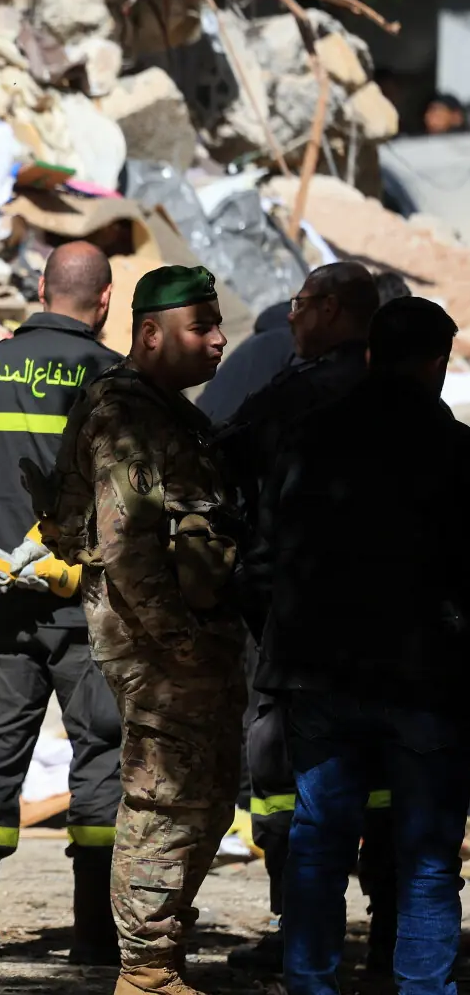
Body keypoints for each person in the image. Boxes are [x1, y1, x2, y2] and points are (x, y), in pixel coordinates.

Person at [31, 265, 246, 995]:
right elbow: (124, 547)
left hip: (192, 641)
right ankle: (146, 970)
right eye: (201, 328)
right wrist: (176, 644)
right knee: (163, 797)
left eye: (218, 325)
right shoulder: (126, 414)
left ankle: (163, 958)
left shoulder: (169, 412)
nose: (219, 341)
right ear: (150, 334)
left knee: (207, 795)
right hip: (160, 647)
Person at [256, 297, 470, 995]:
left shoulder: (308, 436)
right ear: (437, 362)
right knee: (429, 857)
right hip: (426, 679)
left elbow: (264, 554)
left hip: (320, 676)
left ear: (371, 352)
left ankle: (310, 984)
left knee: (319, 841)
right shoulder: (457, 451)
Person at [0, 241, 124, 965]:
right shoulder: (111, 379)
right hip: (90, 609)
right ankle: (96, 934)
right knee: (103, 751)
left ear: (41, 287)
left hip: (5, 602)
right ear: (105, 301)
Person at [216, 263, 397, 974]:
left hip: (300, 625)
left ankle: (301, 935)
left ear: (330, 310)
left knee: (286, 773)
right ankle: (393, 939)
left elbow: (222, 458)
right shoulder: (413, 401)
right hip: (395, 631)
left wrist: (243, 582)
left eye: (300, 305)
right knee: (388, 779)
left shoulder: (295, 395)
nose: (290, 318)